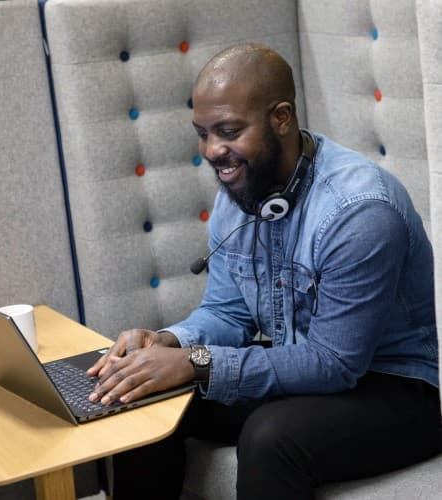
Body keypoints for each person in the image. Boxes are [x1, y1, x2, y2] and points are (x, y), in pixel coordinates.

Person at [87, 44, 440, 499]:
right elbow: (228, 312)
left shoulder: (359, 212)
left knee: (270, 438)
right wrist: (168, 343)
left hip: (400, 386)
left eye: (228, 131)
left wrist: (195, 364)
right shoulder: (242, 187)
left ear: (281, 118)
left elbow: (333, 363)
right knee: (141, 394)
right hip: (311, 364)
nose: (213, 151)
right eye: (203, 133)